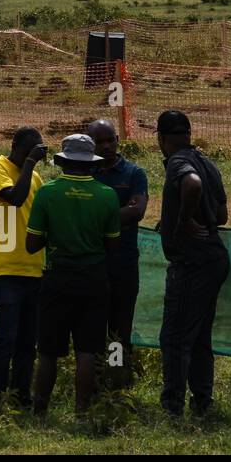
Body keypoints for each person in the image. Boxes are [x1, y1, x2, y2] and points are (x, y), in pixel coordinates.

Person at [24, 134, 119, 415]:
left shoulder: (48, 193)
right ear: (91, 164)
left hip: (57, 279)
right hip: (93, 279)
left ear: (63, 161)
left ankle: (40, 411)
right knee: (87, 351)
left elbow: (32, 245)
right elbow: (112, 245)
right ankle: (81, 412)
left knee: (49, 352)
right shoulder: (107, 195)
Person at [155, 110, 230, 418]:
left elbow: (192, 185)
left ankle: (173, 407)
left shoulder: (178, 163)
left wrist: (184, 221)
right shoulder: (208, 162)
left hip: (192, 261)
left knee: (174, 337)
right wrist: (172, 218)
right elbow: (222, 216)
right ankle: (202, 402)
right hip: (214, 258)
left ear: (161, 139)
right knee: (199, 336)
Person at [0, 127, 46, 404]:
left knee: (27, 344)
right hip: (5, 267)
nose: (26, 157)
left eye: (32, 153)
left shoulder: (36, 178)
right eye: (24, 151)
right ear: (14, 145)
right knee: (5, 339)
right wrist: (30, 162)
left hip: (34, 269)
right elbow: (15, 198)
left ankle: (21, 397)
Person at [86, 120, 148, 387]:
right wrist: (118, 215)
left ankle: (120, 380)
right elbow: (128, 211)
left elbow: (137, 211)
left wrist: (95, 220)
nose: (107, 146)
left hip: (123, 261)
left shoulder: (134, 173)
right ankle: (97, 381)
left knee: (121, 326)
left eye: (111, 139)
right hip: (93, 264)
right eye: (100, 142)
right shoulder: (85, 173)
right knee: (94, 326)